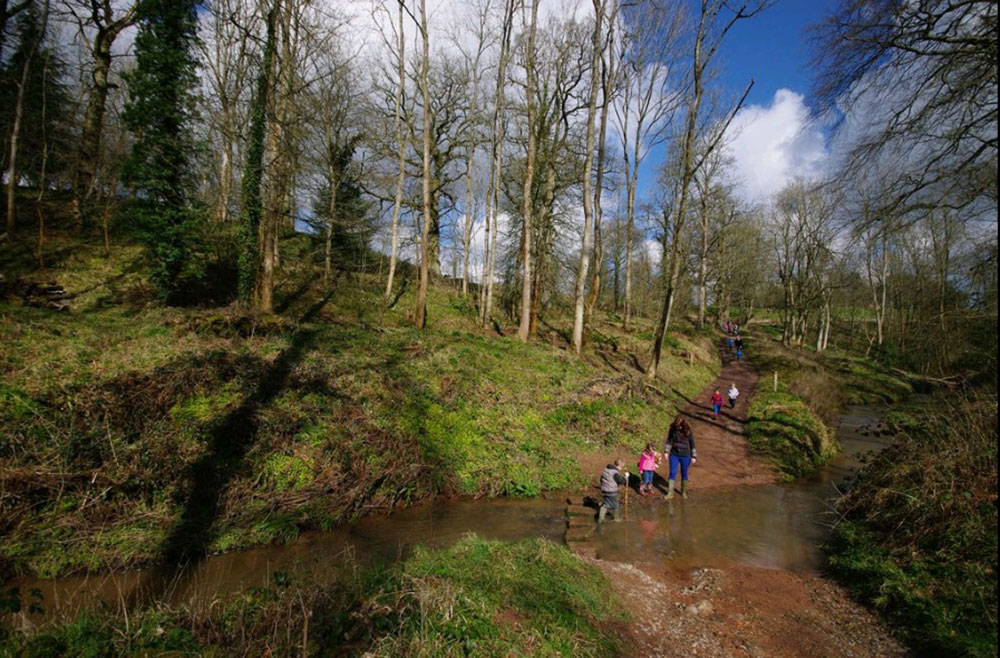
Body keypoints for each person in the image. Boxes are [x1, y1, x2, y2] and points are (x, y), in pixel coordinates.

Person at [663, 416, 697, 499]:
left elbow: (692, 444)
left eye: (679, 426)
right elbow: (669, 440)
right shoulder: (672, 429)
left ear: (683, 425)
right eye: (677, 426)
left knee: (684, 473)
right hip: (674, 454)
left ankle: (683, 492)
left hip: (685, 455)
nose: (678, 428)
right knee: (672, 472)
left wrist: (694, 456)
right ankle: (670, 493)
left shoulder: (688, 431)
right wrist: (666, 451)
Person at [598, 459, 629, 523]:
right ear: (618, 466)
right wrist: (625, 477)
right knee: (616, 505)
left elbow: (601, 479)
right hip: (611, 491)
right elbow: (621, 481)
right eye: (621, 467)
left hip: (605, 490)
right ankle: (616, 519)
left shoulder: (606, 470)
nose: (621, 469)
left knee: (606, 504)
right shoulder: (615, 473)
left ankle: (600, 519)